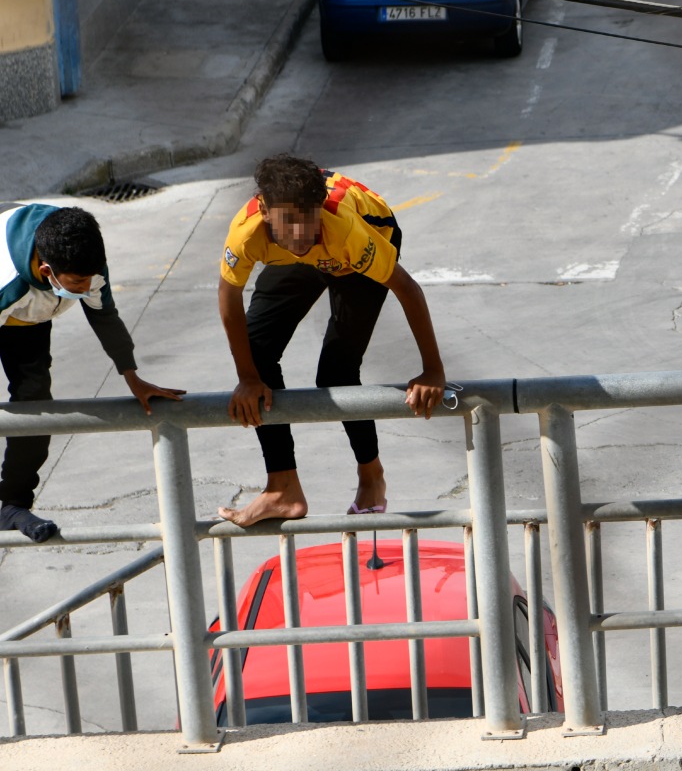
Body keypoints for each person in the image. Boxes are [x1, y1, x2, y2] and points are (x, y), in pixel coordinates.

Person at [216, 154, 447, 527]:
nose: (300, 234)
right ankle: (282, 488)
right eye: (288, 221)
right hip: (306, 260)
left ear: (319, 209)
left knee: (336, 371)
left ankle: (371, 475)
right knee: (255, 354)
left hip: (365, 243)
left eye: (308, 221)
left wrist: (433, 370)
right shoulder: (247, 232)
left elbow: (407, 288)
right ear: (264, 209)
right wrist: (247, 377)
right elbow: (228, 298)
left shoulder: (343, 229)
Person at [0, 205, 184, 541]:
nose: (86, 290)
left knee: (35, 402)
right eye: (77, 283)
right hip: (11, 303)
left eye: (89, 280)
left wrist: (133, 378)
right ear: (46, 270)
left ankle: (12, 505)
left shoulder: (85, 257)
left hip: (28, 318)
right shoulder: (7, 283)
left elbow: (105, 316)